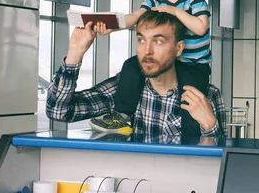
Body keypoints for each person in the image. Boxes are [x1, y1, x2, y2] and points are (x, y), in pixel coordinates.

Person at [46, 10, 225, 138]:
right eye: (141, 40)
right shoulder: (124, 87)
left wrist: (210, 124)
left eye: (159, 41)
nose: (147, 51)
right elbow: (59, 112)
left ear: (178, 49)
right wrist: (75, 55)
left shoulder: (206, 95)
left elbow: (220, 161)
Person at [98, 0, 212, 135]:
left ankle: (191, 138)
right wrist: (110, 26)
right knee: (131, 65)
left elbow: (201, 27)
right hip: (171, 62)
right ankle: (122, 116)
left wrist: (174, 11)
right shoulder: (153, 0)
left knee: (190, 101)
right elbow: (135, 17)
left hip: (195, 65)